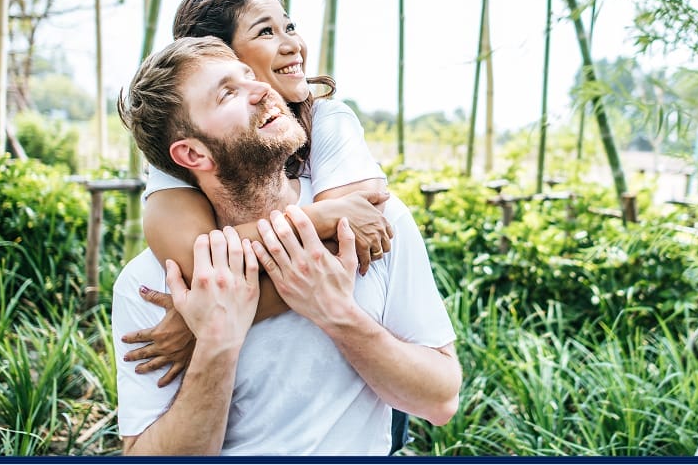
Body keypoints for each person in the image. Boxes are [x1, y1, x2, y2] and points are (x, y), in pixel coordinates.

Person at [113, 36, 460, 455]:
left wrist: (338, 314)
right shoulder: (150, 281)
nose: (262, 89)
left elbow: (440, 400)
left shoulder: (369, 222)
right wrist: (217, 343)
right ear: (192, 153)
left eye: (249, 76)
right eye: (228, 94)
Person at [122, 0, 392, 382]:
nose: (293, 45)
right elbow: (196, 262)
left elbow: (351, 249)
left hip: (363, 377)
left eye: (290, 26)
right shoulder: (184, 150)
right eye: (266, 32)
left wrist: (205, 325)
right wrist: (318, 218)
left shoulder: (328, 121)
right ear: (215, 55)